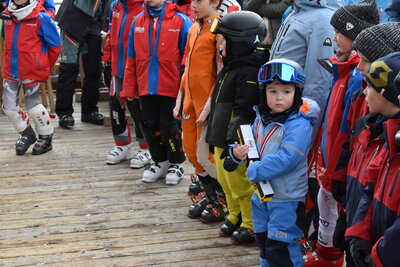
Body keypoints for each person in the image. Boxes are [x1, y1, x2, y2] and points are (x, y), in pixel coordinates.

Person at [302, 1, 380, 266]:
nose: (334, 38)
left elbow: (351, 131)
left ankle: (330, 257)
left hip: (341, 166)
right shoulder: (343, 67)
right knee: (325, 209)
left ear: (357, 36)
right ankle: (326, 253)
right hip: (329, 160)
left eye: (340, 32)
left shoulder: (358, 77)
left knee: (335, 216)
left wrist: (338, 171)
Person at [232, 59, 319, 266]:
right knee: (263, 242)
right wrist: (236, 153)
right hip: (261, 194)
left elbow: (288, 158)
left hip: (286, 198)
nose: (279, 98)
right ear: (264, 93)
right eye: (272, 91)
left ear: (297, 93)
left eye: (286, 92)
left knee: (281, 246)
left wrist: (256, 169)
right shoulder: (261, 117)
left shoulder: (299, 123)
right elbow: (250, 144)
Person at [205, 11, 268, 243]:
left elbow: (243, 112)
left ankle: (251, 223)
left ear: (240, 43)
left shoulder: (249, 71)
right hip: (221, 136)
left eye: (224, 40)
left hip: (235, 141)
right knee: (225, 181)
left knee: (241, 183)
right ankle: (235, 214)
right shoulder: (231, 66)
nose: (220, 44)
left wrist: (233, 142)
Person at [120, 0, 192, 185]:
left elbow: (188, 54)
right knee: (149, 123)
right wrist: (129, 87)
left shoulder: (180, 20)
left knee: (169, 123)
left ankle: (176, 162)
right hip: (146, 84)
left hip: (171, 84)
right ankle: (160, 160)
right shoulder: (137, 22)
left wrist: (185, 85)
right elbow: (131, 57)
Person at [346, 52, 400, 267]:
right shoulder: (389, 135)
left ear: (386, 93)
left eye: (370, 86)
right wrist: (358, 233)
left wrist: (380, 255)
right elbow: (370, 188)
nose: (364, 91)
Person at [1, 0, 61, 155]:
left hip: (32, 69)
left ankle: (46, 136)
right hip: (11, 69)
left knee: (32, 105)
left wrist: (44, 64)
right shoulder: (7, 16)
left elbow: (55, 45)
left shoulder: (41, 18)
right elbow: (6, 38)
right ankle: (26, 133)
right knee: (8, 106)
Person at [101, 0, 152, 167]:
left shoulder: (147, 7)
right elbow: (111, 33)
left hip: (138, 69)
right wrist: (107, 59)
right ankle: (122, 145)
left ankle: (147, 147)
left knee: (138, 109)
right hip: (117, 66)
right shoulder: (116, 5)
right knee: (116, 105)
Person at [55, 0, 110, 127]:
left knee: (94, 69)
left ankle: (89, 111)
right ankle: (64, 113)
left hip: (93, 24)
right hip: (72, 21)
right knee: (68, 68)